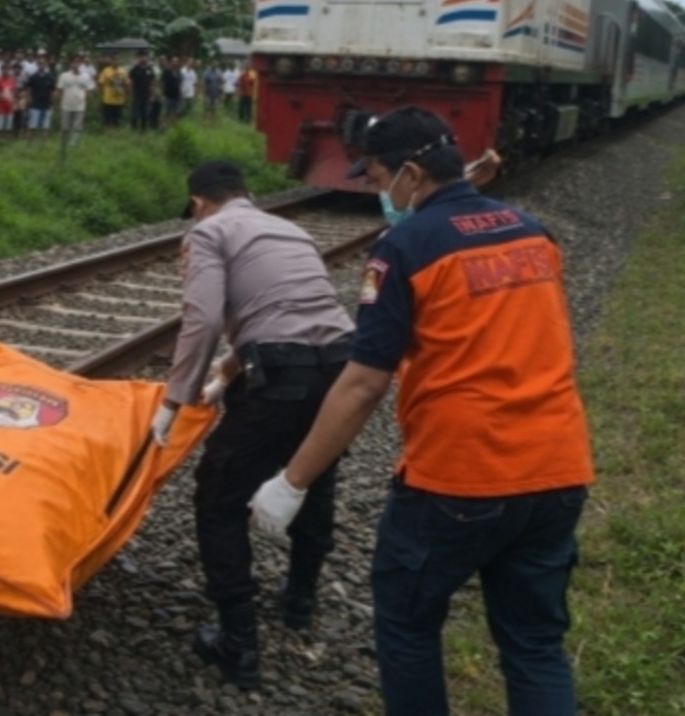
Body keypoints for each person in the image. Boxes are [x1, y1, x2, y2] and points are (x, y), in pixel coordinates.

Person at [251, 107, 594, 715]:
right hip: (558, 468)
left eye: (381, 179)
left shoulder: (404, 248)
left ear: (411, 172)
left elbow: (362, 384)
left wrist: (292, 480)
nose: (382, 194)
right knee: (536, 644)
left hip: (458, 478)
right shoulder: (531, 231)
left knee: (409, 629)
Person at [149, 160, 354, 690]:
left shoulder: (208, 232)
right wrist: (224, 377)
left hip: (282, 374)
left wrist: (176, 401)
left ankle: (237, 642)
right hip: (340, 366)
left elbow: (205, 317)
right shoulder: (290, 228)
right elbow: (285, 310)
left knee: (218, 495)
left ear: (197, 202)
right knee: (312, 473)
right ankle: (299, 600)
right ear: (249, 193)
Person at [56, 55, 89, 149]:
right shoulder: (64, 75)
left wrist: (86, 104)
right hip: (66, 105)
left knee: (77, 127)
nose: (76, 64)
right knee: (65, 127)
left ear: (80, 64)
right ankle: (63, 144)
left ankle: (74, 144)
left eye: (78, 62)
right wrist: (59, 104)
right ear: (70, 63)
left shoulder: (85, 76)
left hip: (80, 106)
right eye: (74, 62)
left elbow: (86, 91)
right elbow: (59, 90)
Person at [25, 56, 55, 137]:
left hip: (47, 104)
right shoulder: (33, 77)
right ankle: (30, 142)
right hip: (35, 104)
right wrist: (28, 99)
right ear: (37, 65)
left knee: (46, 126)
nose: (41, 65)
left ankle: (44, 143)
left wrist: (52, 102)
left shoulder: (50, 77)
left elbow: (53, 91)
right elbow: (28, 90)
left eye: (43, 63)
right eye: (40, 63)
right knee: (32, 125)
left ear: (45, 65)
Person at [97, 57, 128, 129]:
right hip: (108, 99)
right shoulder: (106, 71)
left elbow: (127, 83)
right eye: (114, 60)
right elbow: (100, 83)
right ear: (111, 61)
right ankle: (107, 131)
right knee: (107, 118)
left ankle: (116, 132)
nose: (116, 62)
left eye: (117, 60)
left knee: (117, 118)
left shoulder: (123, 71)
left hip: (119, 99)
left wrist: (126, 94)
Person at [128, 51, 154, 132]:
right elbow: (130, 83)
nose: (143, 58)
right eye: (141, 57)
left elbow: (152, 83)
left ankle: (143, 130)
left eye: (145, 57)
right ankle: (134, 129)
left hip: (147, 95)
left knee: (145, 114)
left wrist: (152, 94)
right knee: (135, 113)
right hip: (137, 94)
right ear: (138, 58)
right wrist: (131, 94)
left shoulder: (149, 69)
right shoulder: (134, 70)